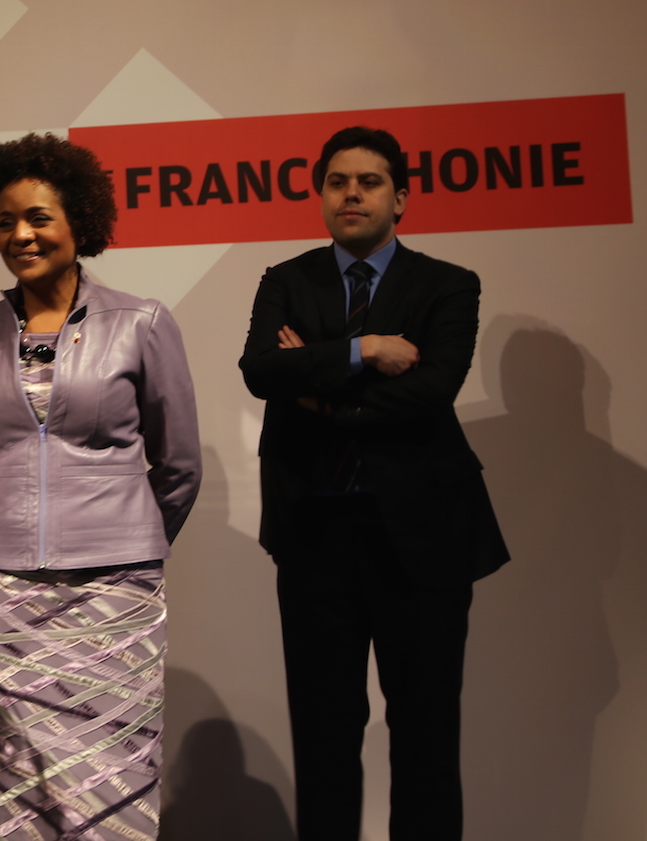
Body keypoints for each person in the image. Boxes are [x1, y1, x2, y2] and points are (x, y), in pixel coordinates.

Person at [238, 126, 509, 841]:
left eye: (369, 182)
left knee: (425, 740)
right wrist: (367, 349)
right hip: (314, 538)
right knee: (324, 742)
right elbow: (262, 372)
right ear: (320, 194)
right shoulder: (286, 281)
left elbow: (430, 392)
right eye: (337, 182)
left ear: (402, 199)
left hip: (423, 540)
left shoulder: (447, 285)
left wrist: (319, 388)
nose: (351, 193)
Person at [0, 133, 202, 841]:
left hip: (114, 592)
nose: (19, 235)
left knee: (108, 781)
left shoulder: (141, 322)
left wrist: (125, 541)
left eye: (36, 218)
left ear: (78, 223)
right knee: (19, 777)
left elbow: (178, 465)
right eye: (4, 222)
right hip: (7, 596)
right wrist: (15, 525)